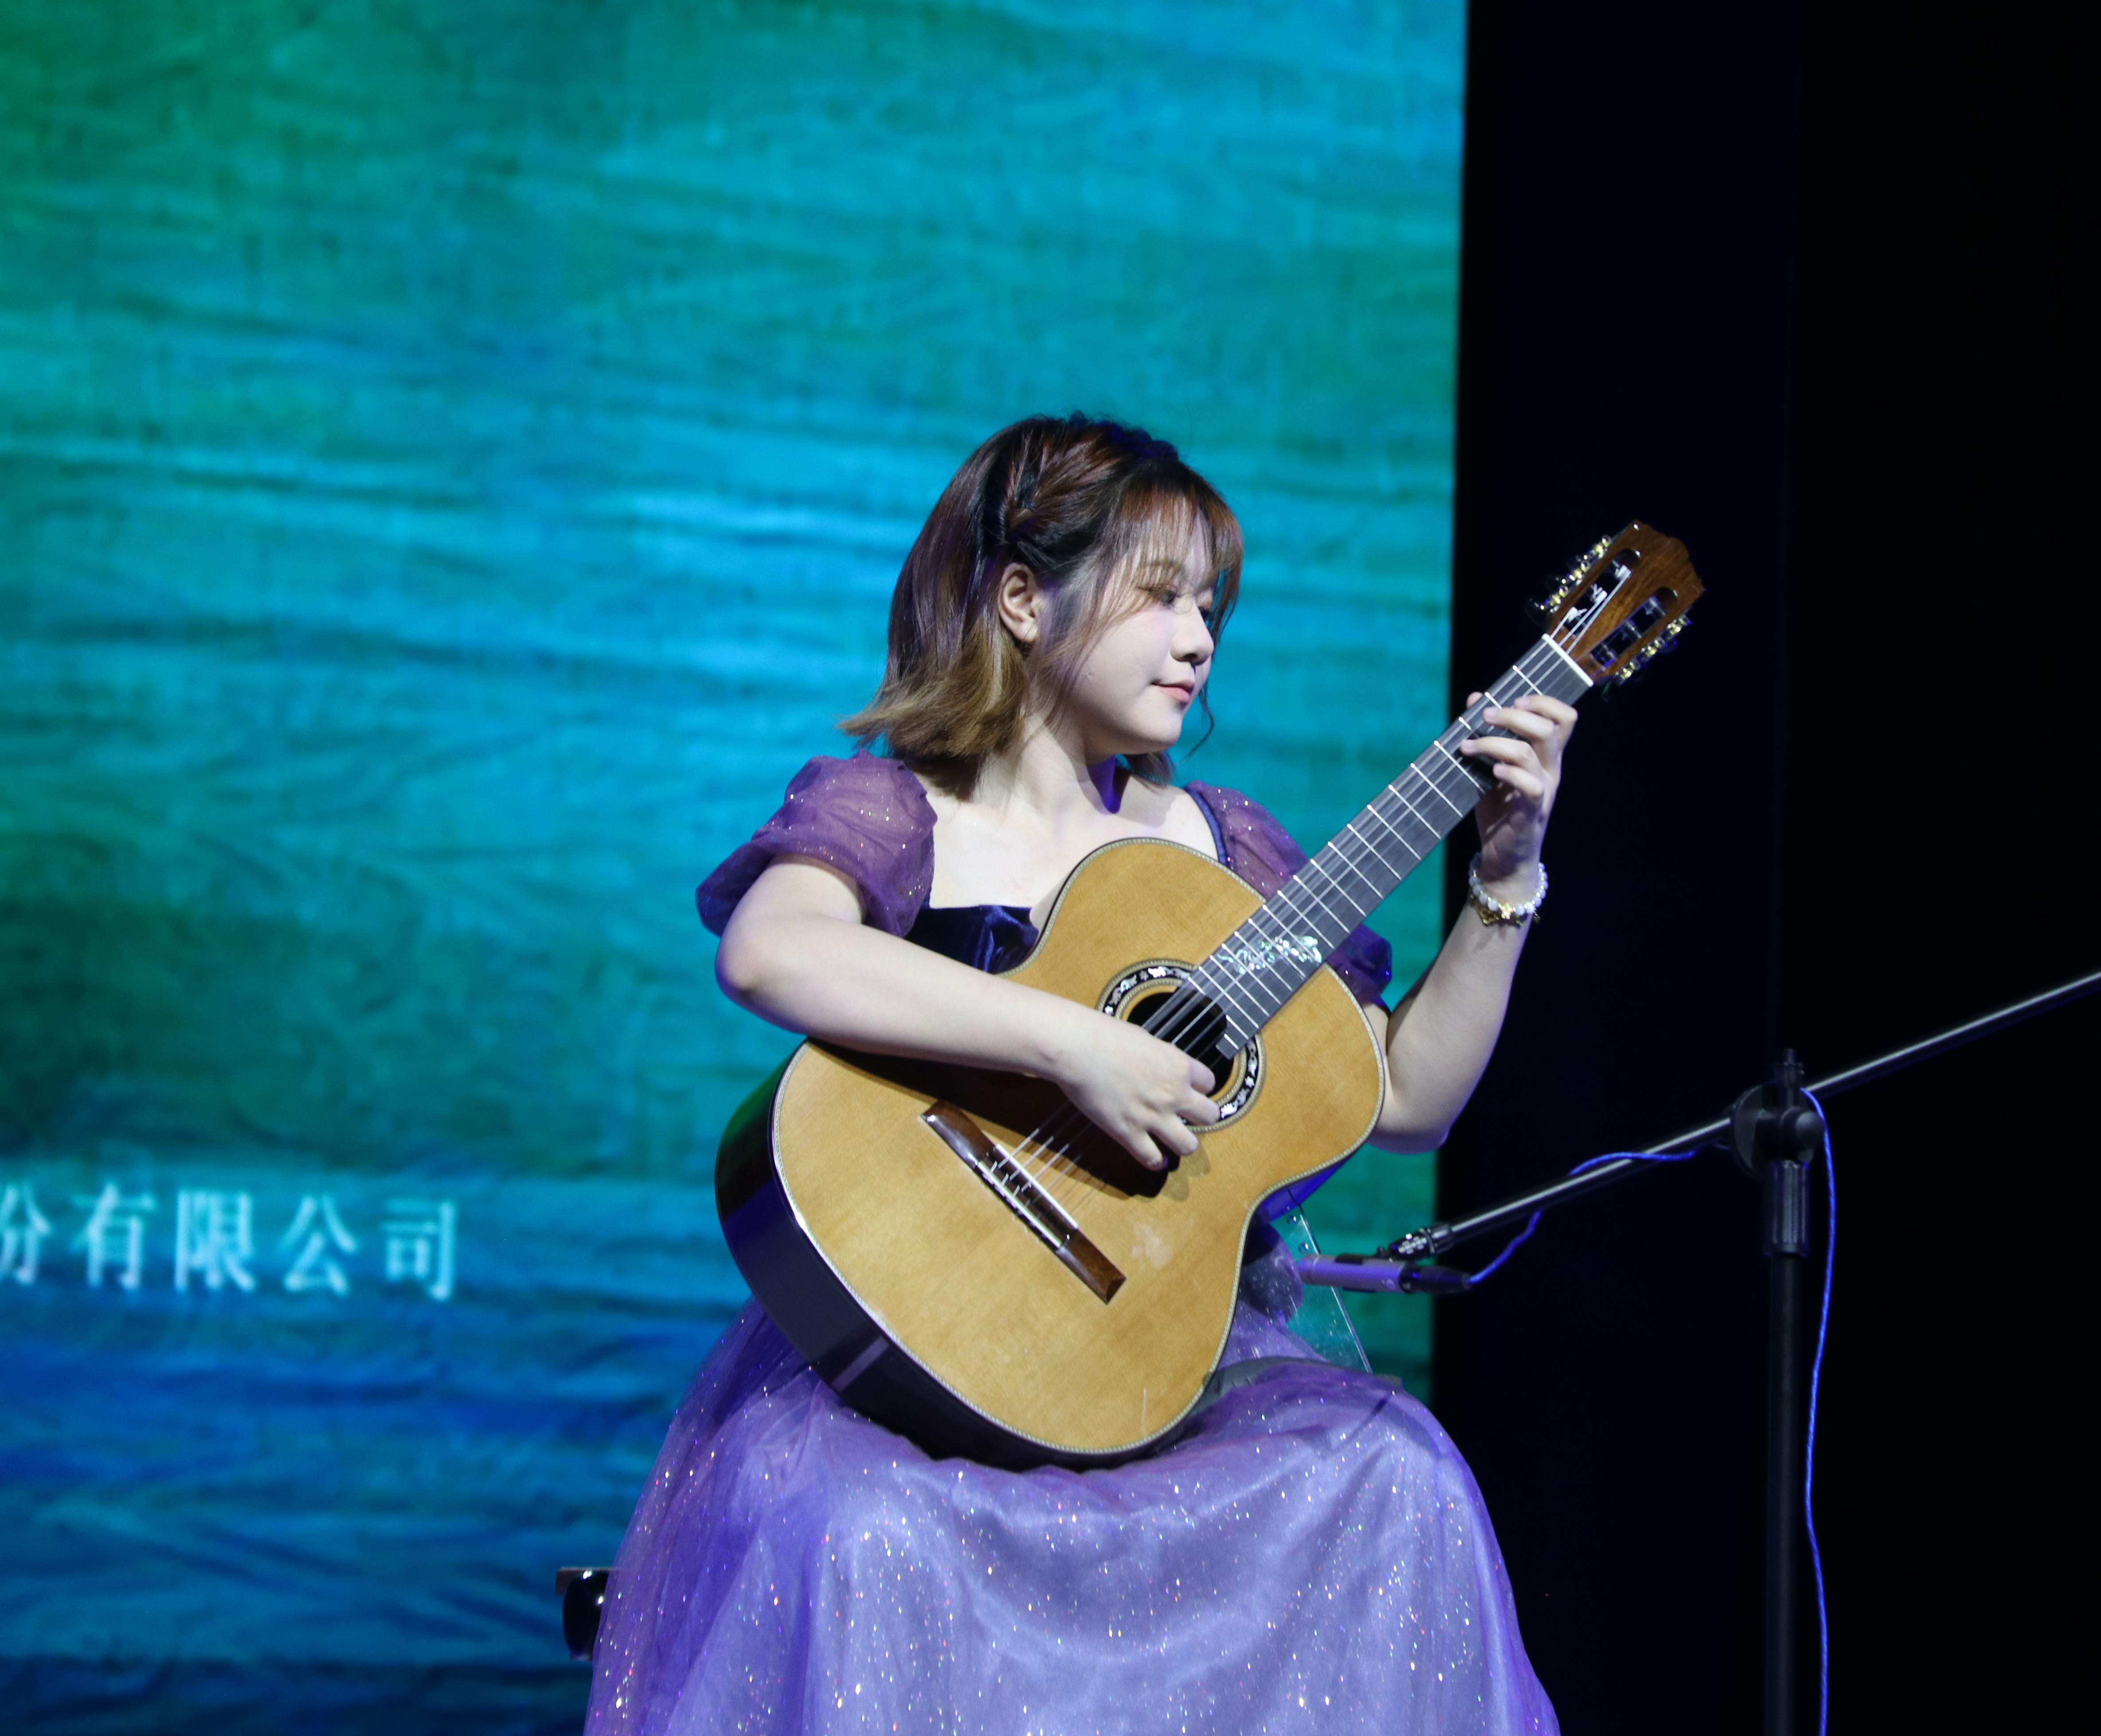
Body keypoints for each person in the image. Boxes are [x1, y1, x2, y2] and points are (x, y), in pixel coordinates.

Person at [587, 414, 1573, 1735]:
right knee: (860, 1531)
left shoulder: (1222, 850)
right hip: (916, 1342)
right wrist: (1081, 1045)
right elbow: (771, 953)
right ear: (1022, 600)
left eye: (1210, 605)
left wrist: (1506, 878)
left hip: (1161, 1357)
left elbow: (1401, 1099)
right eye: (1159, 596)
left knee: (1403, 1478)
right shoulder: (902, 813)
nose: (1199, 638)